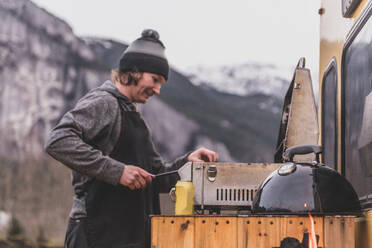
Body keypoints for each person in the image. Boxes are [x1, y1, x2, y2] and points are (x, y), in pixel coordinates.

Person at [44, 29, 218, 248]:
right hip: (95, 233)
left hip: (127, 235)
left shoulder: (134, 116)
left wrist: (186, 163)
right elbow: (58, 140)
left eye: (161, 83)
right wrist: (118, 171)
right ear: (133, 72)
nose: (157, 90)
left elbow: (154, 177)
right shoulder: (105, 102)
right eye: (155, 80)